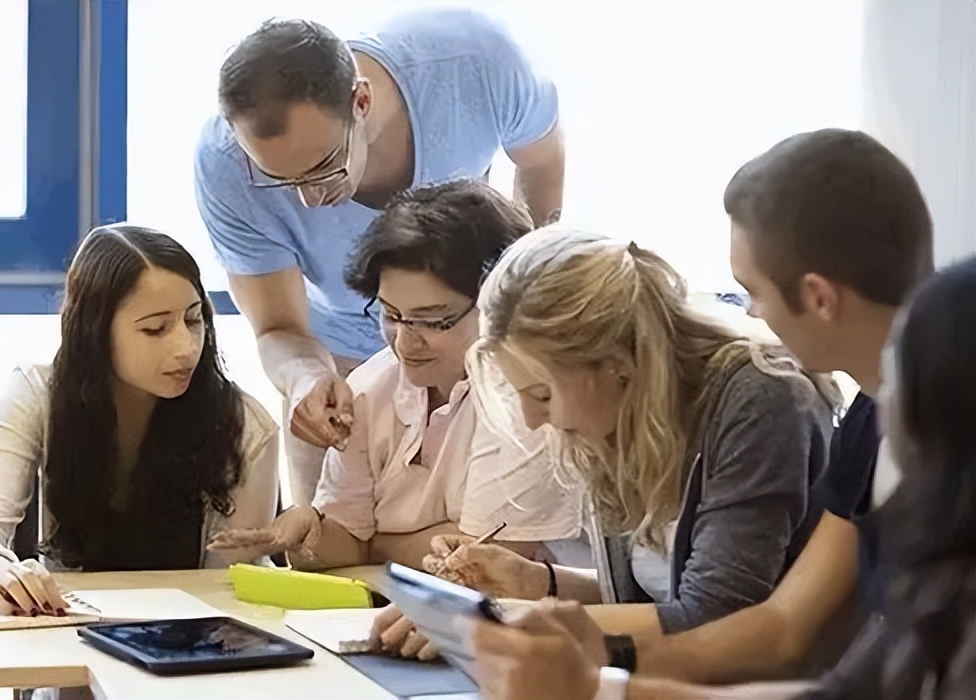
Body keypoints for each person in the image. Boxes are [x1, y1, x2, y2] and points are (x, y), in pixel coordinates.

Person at [460, 128, 937, 697]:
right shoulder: (870, 415)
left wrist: (589, 672)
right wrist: (546, 616)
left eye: (752, 290)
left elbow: (773, 636)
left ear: (819, 297)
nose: (754, 315)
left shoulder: (785, 399)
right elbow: (788, 626)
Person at [376, 228, 839, 657]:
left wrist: (498, 623)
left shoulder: (759, 401)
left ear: (616, 365)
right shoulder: (616, 423)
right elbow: (655, 599)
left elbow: (716, 617)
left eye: (542, 393)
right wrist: (537, 583)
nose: (533, 420)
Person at [195, 7, 565, 503]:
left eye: (324, 165)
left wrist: (516, 311)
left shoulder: (475, 60)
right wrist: (308, 378)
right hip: (337, 359)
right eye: (280, 180)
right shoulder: (223, 166)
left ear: (361, 100)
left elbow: (542, 162)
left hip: (469, 337)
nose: (308, 197)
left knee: (475, 533)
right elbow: (278, 328)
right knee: (322, 547)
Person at [207, 180, 585, 571]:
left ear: (501, 304)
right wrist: (307, 528)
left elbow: (483, 562)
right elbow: (337, 545)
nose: (404, 343)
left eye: (432, 321)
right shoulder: (371, 388)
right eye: (390, 314)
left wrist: (371, 548)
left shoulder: (527, 401)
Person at [0, 225, 278, 616]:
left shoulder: (246, 426)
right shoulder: (37, 394)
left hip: (192, 648)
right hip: (66, 640)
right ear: (95, 331)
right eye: (156, 329)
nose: (186, 347)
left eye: (193, 320)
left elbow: (228, 589)